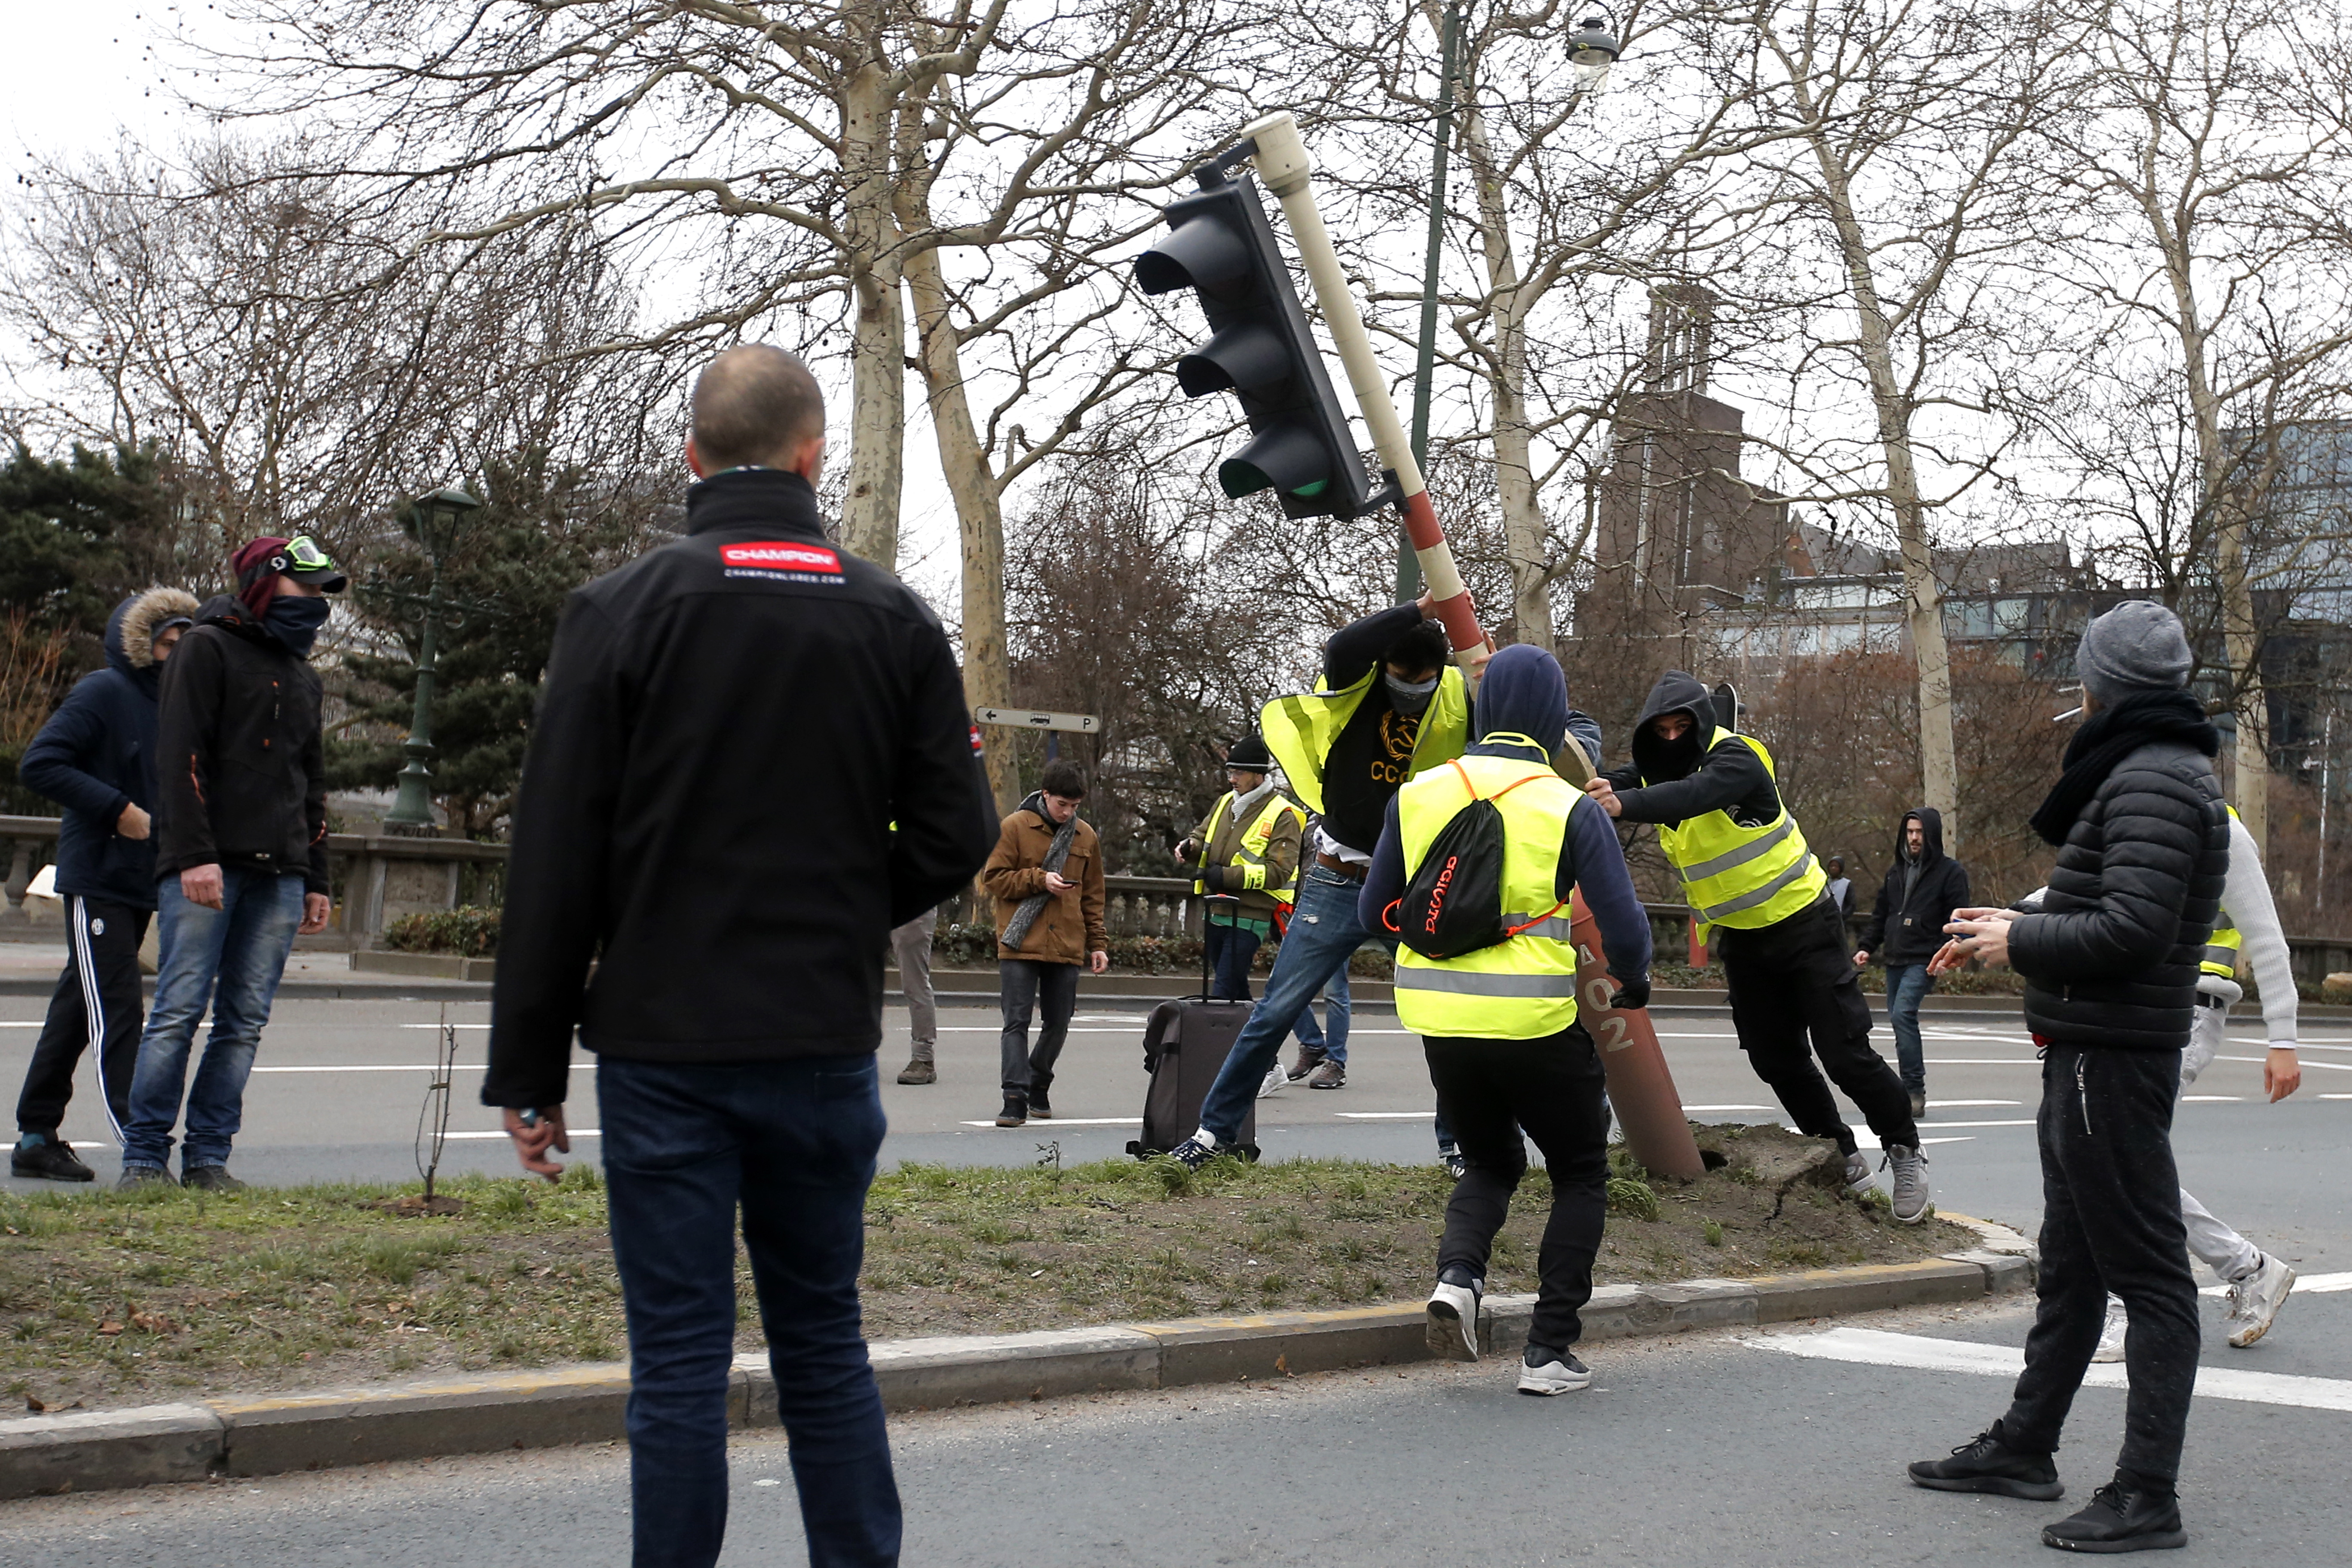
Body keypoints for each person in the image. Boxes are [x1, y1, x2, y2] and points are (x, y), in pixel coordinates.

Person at [485, 344, 997, 1568]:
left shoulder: (621, 611)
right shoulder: (894, 617)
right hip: (818, 1035)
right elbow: (958, 831)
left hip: (666, 1039)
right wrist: (836, 908)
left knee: (676, 1361)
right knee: (825, 1342)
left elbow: (554, 850)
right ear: (814, 457)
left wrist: (529, 1068)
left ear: (690, 455)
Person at [1910, 600, 2229, 1553]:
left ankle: (2147, 1495)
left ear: (2106, 685)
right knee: (2075, 1267)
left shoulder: (2156, 780)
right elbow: (2111, 901)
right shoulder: (2150, 770)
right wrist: (2010, 925)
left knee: (2151, 1279)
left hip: (2112, 1058)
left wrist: (2020, 939)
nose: (2077, 691)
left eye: (2084, 674)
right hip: (2091, 1050)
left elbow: (2132, 930)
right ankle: (2025, 1447)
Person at [1360, 644, 1652, 1394]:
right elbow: (1623, 928)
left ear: (1484, 710)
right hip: (1534, 1022)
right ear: (1553, 716)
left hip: (1439, 1018)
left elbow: (1374, 911)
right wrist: (1634, 981)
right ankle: (1548, 1350)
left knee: (1489, 1161)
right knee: (1581, 1171)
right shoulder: (1567, 803)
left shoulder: (1419, 792)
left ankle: (1458, 1281)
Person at [1584, 671, 1931, 1222]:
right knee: (1776, 1059)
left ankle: (1904, 1148)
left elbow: (1694, 795)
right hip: (1743, 941)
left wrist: (1624, 805)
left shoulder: (1739, 758)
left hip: (1805, 926)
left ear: (1704, 725)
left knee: (1844, 1054)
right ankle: (1838, 1152)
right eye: (1662, 731)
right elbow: (1608, 782)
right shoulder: (1651, 773)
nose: (1673, 739)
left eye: (1684, 727)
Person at [1161, 597, 1476, 1167]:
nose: (1411, 693)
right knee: (1275, 1010)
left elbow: (1503, 688)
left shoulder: (1459, 695)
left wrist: (1456, 623)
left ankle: (1454, 1144)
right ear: (1386, 668)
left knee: (1445, 1016)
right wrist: (1421, 607)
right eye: (1403, 680)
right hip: (1339, 877)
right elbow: (1342, 647)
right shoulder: (1356, 684)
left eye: (1423, 683)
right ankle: (1213, 1135)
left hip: (1413, 882)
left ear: (1442, 674)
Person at [119, 539, 342, 1190]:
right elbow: (179, 757)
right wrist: (194, 856)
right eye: (310, 591)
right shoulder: (205, 649)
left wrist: (317, 876)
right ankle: (143, 1159)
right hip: (207, 866)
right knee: (178, 1011)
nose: (319, 606)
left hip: (283, 875)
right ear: (269, 585)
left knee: (244, 1023)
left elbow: (312, 783)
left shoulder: (305, 675)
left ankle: (209, 1158)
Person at [2092, 804, 2301, 1360]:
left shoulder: (2217, 824)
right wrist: (2011, 918)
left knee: (2121, 1160)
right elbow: (2087, 894)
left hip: (2189, 1012)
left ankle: (2127, 1307)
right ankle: (2249, 1269)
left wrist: (2283, 1037)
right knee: (2129, 1162)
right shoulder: (2139, 809)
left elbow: (2267, 936)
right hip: (2142, 1008)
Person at [11, 588, 199, 1180]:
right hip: (99, 877)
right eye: (167, 643)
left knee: (76, 1006)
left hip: (145, 880)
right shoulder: (104, 691)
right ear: (143, 644)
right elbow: (40, 763)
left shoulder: (181, 707)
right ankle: (142, 1152)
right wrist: (118, 808)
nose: (177, 653)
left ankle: (35, 1136)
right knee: (118, 1009)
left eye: (185, 644)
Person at [982, 757, 1109, 1127]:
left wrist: (1098, 943)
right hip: (1020, 941)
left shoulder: (1086, 836)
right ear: (1045, 795)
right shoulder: (1015, 827)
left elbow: (1093, 895)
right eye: (1062, 805)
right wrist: (1040, 880)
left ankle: (1039, 1081)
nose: (1069, 813)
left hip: (1068, 943)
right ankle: (1014, 1097)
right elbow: (994, 878)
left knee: (1059, 1023)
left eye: (1075, 807)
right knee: (1016, 1022)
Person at [1853, 808, 1971, 1118]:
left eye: (1919, 832)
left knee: (1904, 1014)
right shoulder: (1896, 872)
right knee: (1897, 1019)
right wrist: (1866, 946)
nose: (1915, 838)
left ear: (1931, 835)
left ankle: (1913, 1091)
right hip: (1896, 956)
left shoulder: (1950, 873)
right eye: (1910, 832)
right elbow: (1881, 914)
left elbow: (1959, 917)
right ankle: (1905, 1090)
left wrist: (1951, 951)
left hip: (1925, 958)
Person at [1179, 732, 1306, 1014]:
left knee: (1223, 994)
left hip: (1251, 914)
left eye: (1239, 773)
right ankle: (1268, 1056)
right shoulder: (1226, 802)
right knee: (1236, 990)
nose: (1232, 779)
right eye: (1230, 772)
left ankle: (1224, 1056)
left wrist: (1225, 877)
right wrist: (1190, 848)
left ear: (1259, 775)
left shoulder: (1283, 814)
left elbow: (1279, 872)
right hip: (1216, 908)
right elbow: (1202, 836)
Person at [890, 907, 940, 1084]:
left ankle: (923, 1059)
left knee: (914, 983)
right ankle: (848, 1054)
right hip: (869, 897)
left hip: (910, 903)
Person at [1824, 853, 1856, 929]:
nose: (1833, 868)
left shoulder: (1847, 884)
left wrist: (1843, 917)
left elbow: (1852, 904)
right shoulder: (1824, 882)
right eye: (1831, 866)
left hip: (1840, 922)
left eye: (1836, 867)